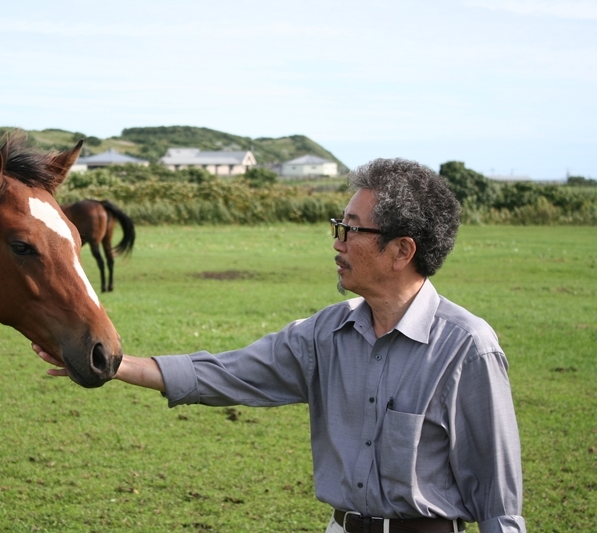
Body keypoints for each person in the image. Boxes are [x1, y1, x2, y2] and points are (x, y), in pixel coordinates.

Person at [34, 158, 526, 533]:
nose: (337, 241)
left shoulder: (468, 348)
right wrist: (115, 365)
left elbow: (500, 506)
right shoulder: (324, 335)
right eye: (340, 226)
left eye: (351, 229)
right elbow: (228, 373)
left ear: (402, 250)